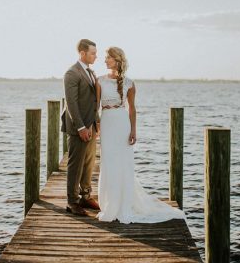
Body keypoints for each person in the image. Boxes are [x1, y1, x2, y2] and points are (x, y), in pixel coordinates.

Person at [95, 46, 185, 223]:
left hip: (122, 124)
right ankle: (109, 204)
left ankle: (122, 204)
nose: (105, 60)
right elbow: (95, 106)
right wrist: (97, 125)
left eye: (108, 58)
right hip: (107, 123)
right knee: (108, 162)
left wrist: (133, 130)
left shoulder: (129, 83)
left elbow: (132, 109)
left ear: (117, 60)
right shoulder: (100, 81)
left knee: (123, 163)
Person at [61, 39, 101, 216]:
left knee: (89, 163)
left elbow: (94, 101)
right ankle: (72, 201)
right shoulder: (72, 73)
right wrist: (81, 127)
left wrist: (96, 122)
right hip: (79, 127)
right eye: (93, 53)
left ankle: (86, 196)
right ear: (82, 53)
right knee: (75, 165)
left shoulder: (91, 73)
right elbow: (71, 103)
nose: (96, 56)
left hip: (91, 125)